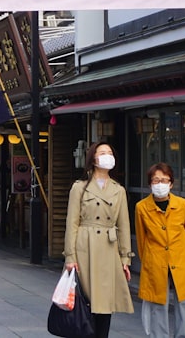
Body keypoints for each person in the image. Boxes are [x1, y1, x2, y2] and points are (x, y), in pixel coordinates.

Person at [63, 141, 133, 338]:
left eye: (110, 153)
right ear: (93, 158)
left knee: (105, 304)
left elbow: (124, 226)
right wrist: (70, 256)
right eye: (102, 152)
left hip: (108, 249)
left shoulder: (118, 190)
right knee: (84, 302)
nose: (107, 156)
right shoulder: (80, 188)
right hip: (85, 247)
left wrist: (125, 259)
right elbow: (72, 223)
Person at [135, 162, 185, 338]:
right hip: (156, 261)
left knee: (183, 303)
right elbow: (141, 239)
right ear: (150, 183)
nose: (160, 184)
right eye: (156, 180)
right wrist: (147, 263)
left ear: (171, 184)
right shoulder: (141, 207)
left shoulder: (182, 204)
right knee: (159, 303)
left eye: (164, 180)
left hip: (183, 260)